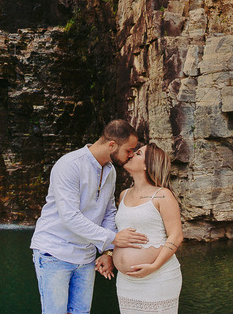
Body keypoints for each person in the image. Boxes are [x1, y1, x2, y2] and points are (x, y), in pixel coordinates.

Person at [31, 119, 149, 314]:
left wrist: (109, 251)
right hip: (54, 253)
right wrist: (113, 238)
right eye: (129, 150)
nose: (130, 155)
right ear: (112, 145)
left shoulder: (110, 171)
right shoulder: (69, 165)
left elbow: (109, 211)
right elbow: (70, 217)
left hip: (86, 257)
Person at [112, 142, 183, 314]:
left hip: (158, 277)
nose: (130, 155)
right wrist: (108, 254)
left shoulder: (162, 195)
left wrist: (154, 266)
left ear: (146, 164)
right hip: (126, 282)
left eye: (137, 154)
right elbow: (120, 233)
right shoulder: (124, 194)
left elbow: (176, 236)